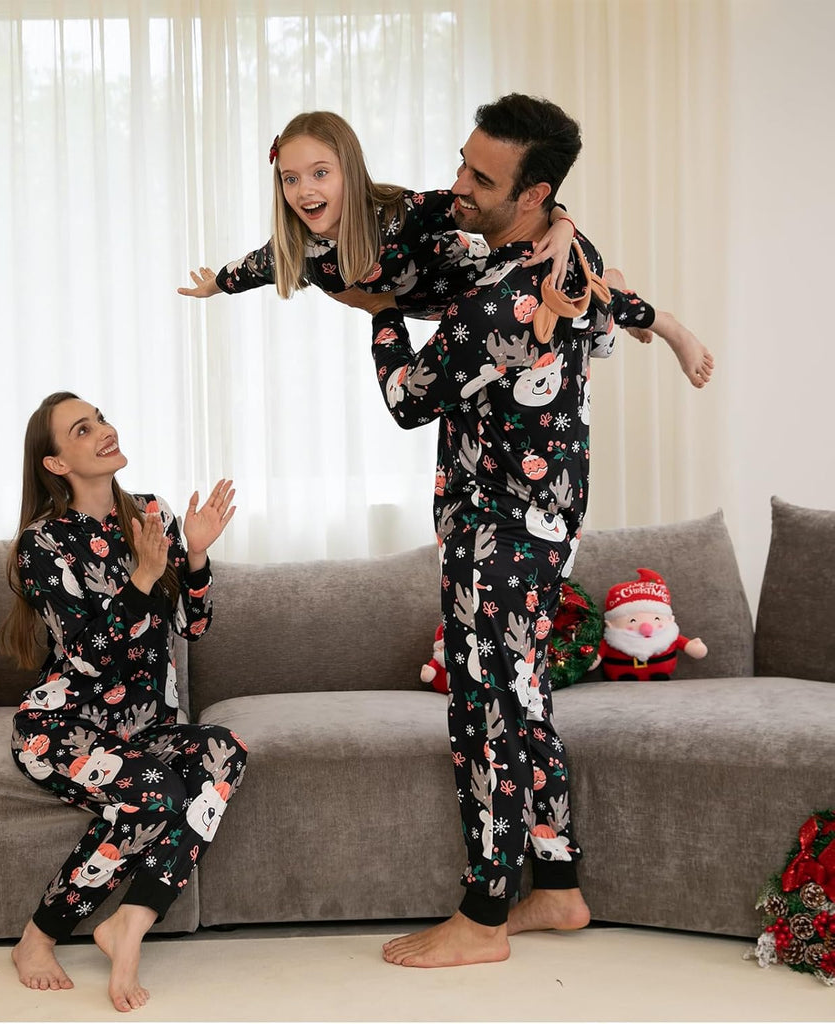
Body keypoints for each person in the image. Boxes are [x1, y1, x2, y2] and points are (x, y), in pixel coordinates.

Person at [335, 93, 611, 968]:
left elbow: (410, 400)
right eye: (462, 160)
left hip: (496, 527)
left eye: (480, 178)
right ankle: (557, 889)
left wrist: (380, 309)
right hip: (547, 513)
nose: (458, 183)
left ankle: (484, 915)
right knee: (522, 698)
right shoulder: (566, 254)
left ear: (532, 194)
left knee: (485, 710)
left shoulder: (502, 300)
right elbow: (604, 332)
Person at [0, 392, 246, 1012]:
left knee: (226, 752)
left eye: (101, 419)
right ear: (56, 464)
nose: (103, 431)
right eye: (82, 430)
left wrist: (196, 555)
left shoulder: (151, 513)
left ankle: (128, 925)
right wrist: (139, 580)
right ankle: (38, 937)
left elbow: (193, 627)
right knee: (157, 796)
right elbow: (88, 657)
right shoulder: (42, 545)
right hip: (64, 727)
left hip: (146, 726)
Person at [178, 110, 712, 388]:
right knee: (591, 336)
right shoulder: (298, 250)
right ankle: (614, 300)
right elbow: (252, 267)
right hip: (449, 313)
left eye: (320, 173)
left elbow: (481, 200)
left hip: (480, 277)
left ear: (350, 172)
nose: (304, 191)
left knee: (584, 311)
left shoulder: (399, 212)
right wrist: (215, 284)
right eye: (291, 179)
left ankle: (660, 320)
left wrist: (563, 221)